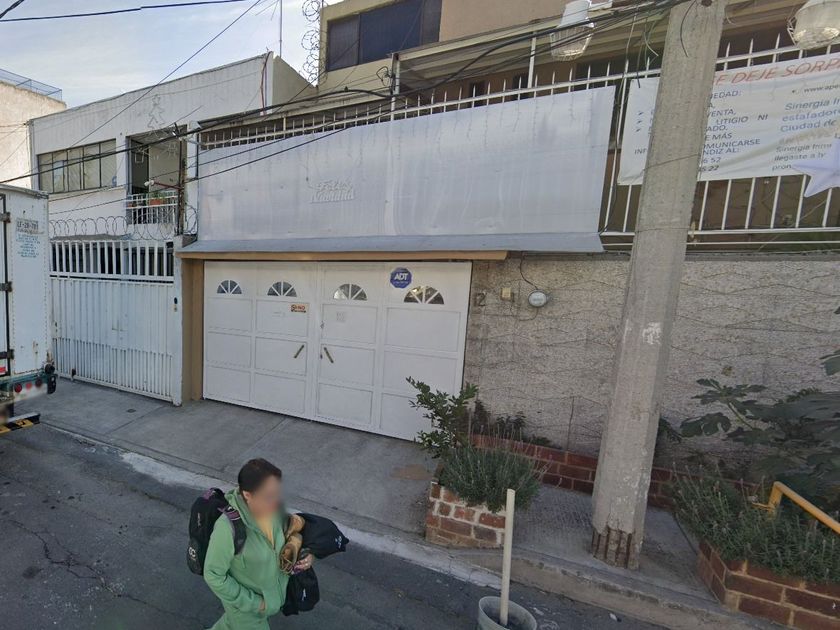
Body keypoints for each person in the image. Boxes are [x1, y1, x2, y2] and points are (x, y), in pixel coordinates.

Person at [204, 458, 313, 630]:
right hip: (246, 612)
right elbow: (213, 575)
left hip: (269, 599)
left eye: (277, 493)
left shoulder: (272, 511)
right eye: (269, 496)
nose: (276, 501)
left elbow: (283, 542)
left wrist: (305, 556)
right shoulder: (226, 529)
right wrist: (256, 604)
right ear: (248, 495)